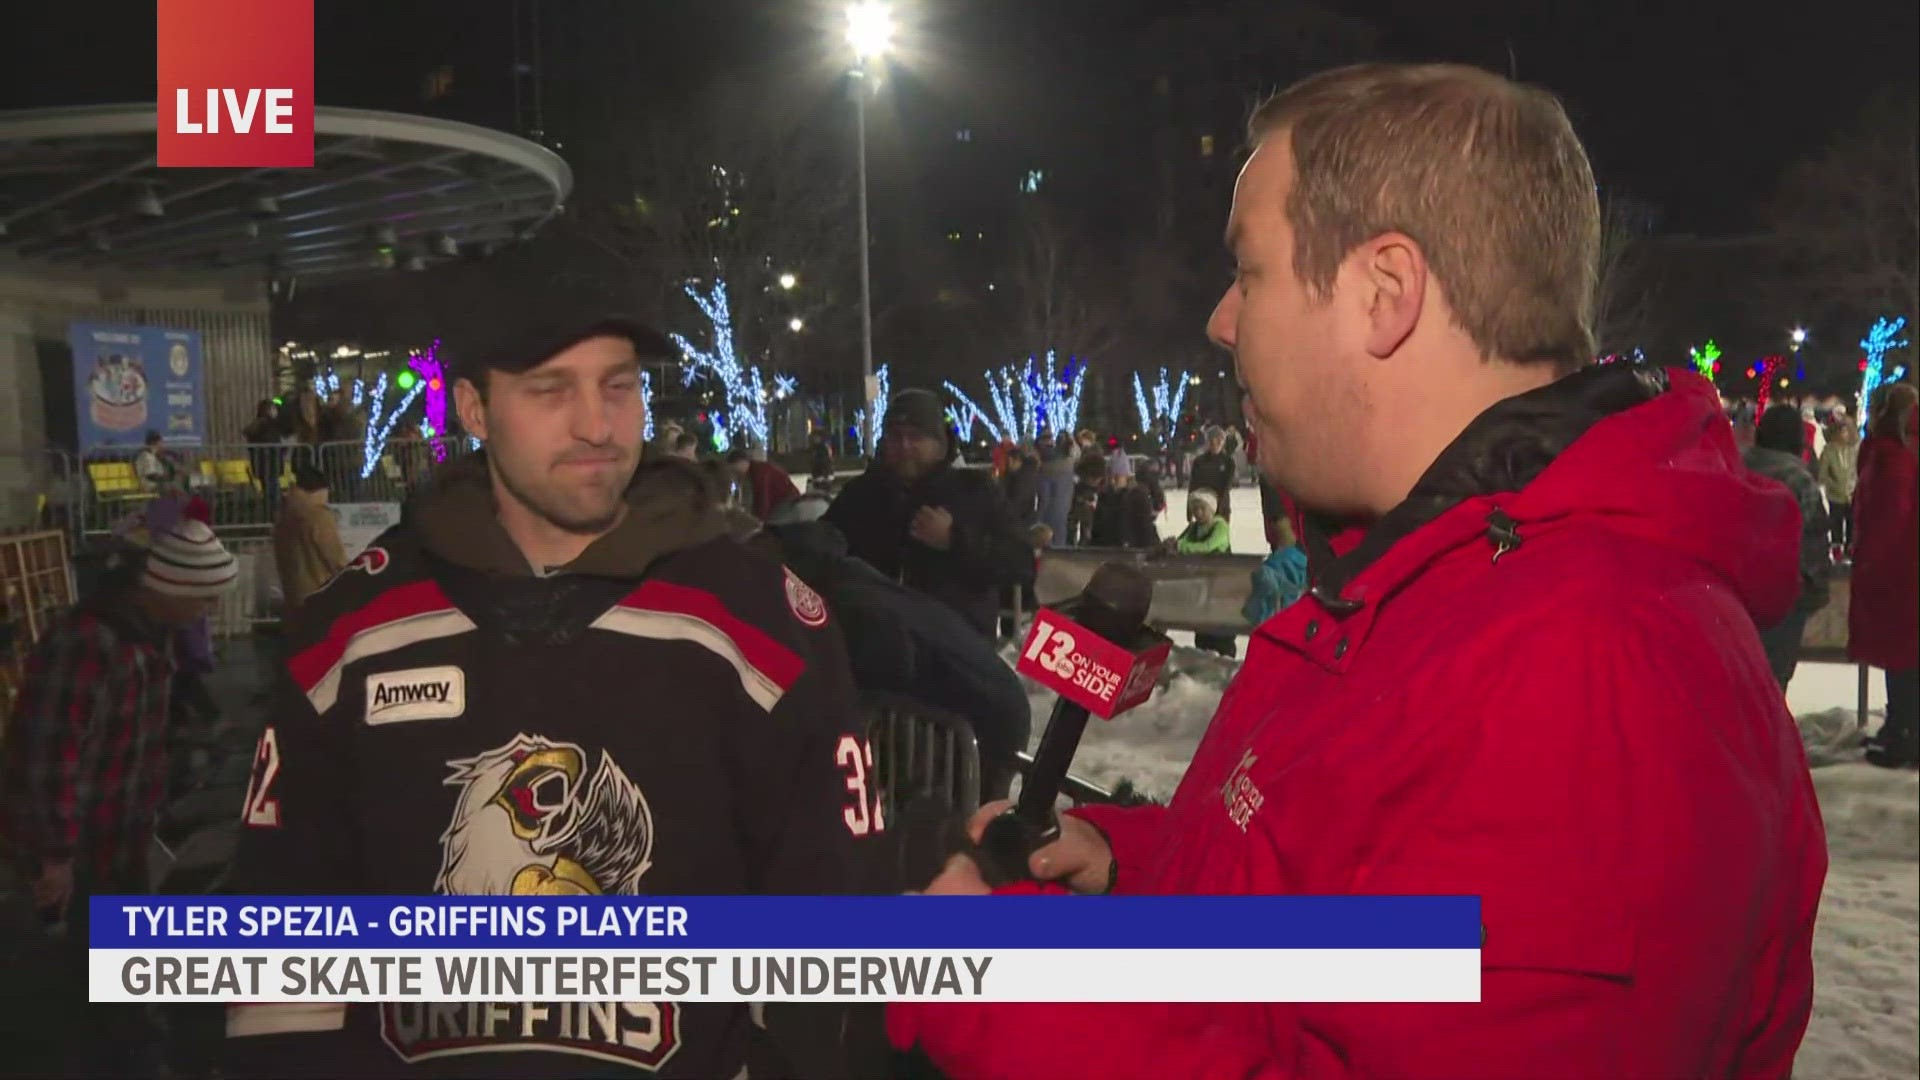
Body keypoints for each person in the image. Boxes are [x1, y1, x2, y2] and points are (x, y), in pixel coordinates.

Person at [889, 62, 1825, 1080]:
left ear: (1384, 293)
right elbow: (1352, 915)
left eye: (1250, 272)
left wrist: (1004, 988)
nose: (1221, 321)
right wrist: (1139, 870)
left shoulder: (1591, 672)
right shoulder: (1428, 579)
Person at [224, 317, 880, 1079]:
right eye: (550, 390)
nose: (597, 425)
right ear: (473, 409)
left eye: (618, 384)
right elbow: (285, 927)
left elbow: (829, 909)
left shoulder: (763, 623)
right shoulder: (348, 633)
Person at [1, 520, 236, 1078]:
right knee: (68, 967)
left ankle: (120, 1035)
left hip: (119, 830)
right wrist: (54, 854)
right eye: (202, 599)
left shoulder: (144, 636)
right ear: (171, 588)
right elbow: (49, 754)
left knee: (109, 956)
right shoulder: (90, 641)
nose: (206, 612)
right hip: (81, 840)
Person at [754, 508, 1032, 802]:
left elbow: (883, 670)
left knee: (949, 829)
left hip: (979, 724)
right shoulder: (847, 576)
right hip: (981, 710)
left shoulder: (847, 599)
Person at [824, 389, 1034, 638]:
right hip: (876, 649)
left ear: (940, 445)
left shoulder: (974, 490)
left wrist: (955, 539)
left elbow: (1019, 562)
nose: (904, 446)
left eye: (916, 437)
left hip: (956, 651)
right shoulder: (861, 494)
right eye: (896, 436)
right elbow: (823, 548)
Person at [1850, 382, 1918, 769]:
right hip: (1904, 571)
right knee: (1904, 656)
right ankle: (1901, 727)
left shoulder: (1892, 456)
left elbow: (1887, 520)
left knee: (1903, 656)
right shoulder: (1897, 452)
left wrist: (1870, 562)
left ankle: (1905, 734)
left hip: (1897, 572)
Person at [1743, 405, 1831, 691]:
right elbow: (1814, 541)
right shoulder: (1800, 482)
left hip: (1737, 590)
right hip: (1786, 592)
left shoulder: (1735, 469)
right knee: (1774, 678)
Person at [272, 463, 348, 619]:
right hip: (320, 597)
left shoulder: (284, 517)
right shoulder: (319, 516)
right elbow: (335, 557)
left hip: (293, 597)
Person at [1167, 490, 1236, 658]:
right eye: (1195, 509)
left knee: (1220, 624)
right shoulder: (1193, 528)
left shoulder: (1220, 526)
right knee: (1203, 625)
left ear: (1211, 509)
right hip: (1201, 584)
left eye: (1202, 508)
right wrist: (1172, 544)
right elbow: (1182, 541)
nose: (1198, 513)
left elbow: (1209, 546)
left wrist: (1180, 547)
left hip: (1221, 584)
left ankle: (1224, 654)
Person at [1089, 455, 1158, 549]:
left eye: (1117, 477)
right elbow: (1097, 529)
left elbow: (1146, 529)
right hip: (1107, 552)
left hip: (1131, 552)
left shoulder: (1138, 497)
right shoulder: (1104, 497)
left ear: (1126, 476)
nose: (1113, 482)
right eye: (1110, 477)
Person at [1817, 419, 1859, 561]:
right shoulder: (1829, 451)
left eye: (1847, 431)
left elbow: (1857, 470)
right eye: (1842, 431)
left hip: (1852, 494)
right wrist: (1832, 485)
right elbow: (1822, 474)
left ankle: (1850, 548)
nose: (1845, 435)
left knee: (1851, 522)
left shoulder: (1853, 450)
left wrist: (1854, 485)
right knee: (1836, 522)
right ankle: (1836, 548)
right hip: (1835, 495)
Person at [727, 446, 801, 520]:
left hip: (788, 506)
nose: (735, 473)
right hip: (786, 505)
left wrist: (760, 523)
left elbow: (764, 500)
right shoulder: (753, 472)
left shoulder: (760, 472)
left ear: (742, 462)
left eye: (734, 469)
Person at [1188, 427, 1238, 520]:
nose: (1215, 445)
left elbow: (1227, 486)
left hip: (1221, 509)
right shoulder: (1199, 461)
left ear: (1223, 442)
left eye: (1218, 441)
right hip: (1201, 509)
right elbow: (1192, 485)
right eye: (1211, 442)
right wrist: (1189, 510)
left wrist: (1218, 506)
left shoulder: (1228, 462)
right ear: (1208, 442)